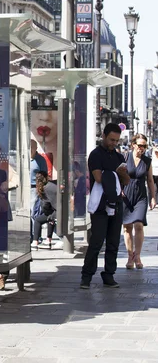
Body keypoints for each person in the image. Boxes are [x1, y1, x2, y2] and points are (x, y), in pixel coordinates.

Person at [80, 123, 130, 289]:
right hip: (100, 204)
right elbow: (99, 177)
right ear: (103, 136)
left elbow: (126, 181)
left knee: (113, 242)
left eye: (116, 140)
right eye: (111, 139)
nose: (113, 143)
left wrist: (121, 175)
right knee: (96, 241)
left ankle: (109, 275)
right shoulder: (96, 155)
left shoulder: (119, 157)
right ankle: (86, 276)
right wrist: (117, 174)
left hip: (116, 203)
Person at [122, 134, 156, 269]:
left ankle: (138, 256)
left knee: (139, 225)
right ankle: (130, 256)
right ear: (133, 145)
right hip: (126, 195)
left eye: (144, 146)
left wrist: (153, 197)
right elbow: (118, 174)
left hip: (141, 196)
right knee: (127, 227)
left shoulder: (147, 161)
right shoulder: (124, 157)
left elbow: (150, 180)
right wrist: (119, 188)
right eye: (140, 145)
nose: (142, 148)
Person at [31, 173, 57, 249]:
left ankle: (35, 241)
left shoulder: (45, 188)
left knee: (38, 220)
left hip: (56, 212)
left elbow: (45, 205)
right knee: (49, 217)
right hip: (56, 210)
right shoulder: (51, 185)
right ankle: (48, 240)